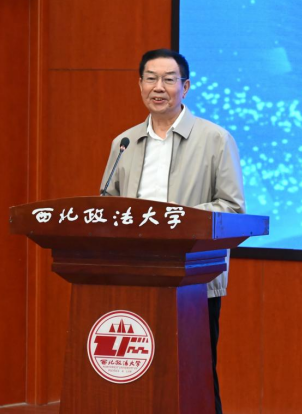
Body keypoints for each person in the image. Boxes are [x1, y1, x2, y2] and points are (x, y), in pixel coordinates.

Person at [99, 48, 246, 414]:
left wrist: (176, 218)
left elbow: (232, 208)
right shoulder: (124, 143)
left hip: (193, 278)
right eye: (151, 79)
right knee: (139, 373)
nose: (158, 87)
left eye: (168, 79)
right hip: (134, 275)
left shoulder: (215, 139)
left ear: (186, 87)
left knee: (195, 374)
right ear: (140, 84)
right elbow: (107, 206)